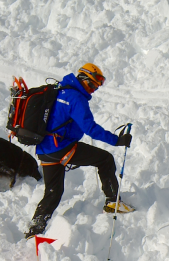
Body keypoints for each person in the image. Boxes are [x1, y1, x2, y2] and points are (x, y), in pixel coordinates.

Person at [23, 62, 134, 238]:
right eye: (91, 86)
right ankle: (113, 201)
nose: (93, 90)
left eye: (96, 88)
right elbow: (90, 128)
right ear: (83, 79)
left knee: (53, 192)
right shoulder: (76, 98)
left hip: (45, 149)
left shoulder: (60, 90)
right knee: (105, 159)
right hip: (62, 147)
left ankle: (35, 230)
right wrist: (117, 140)